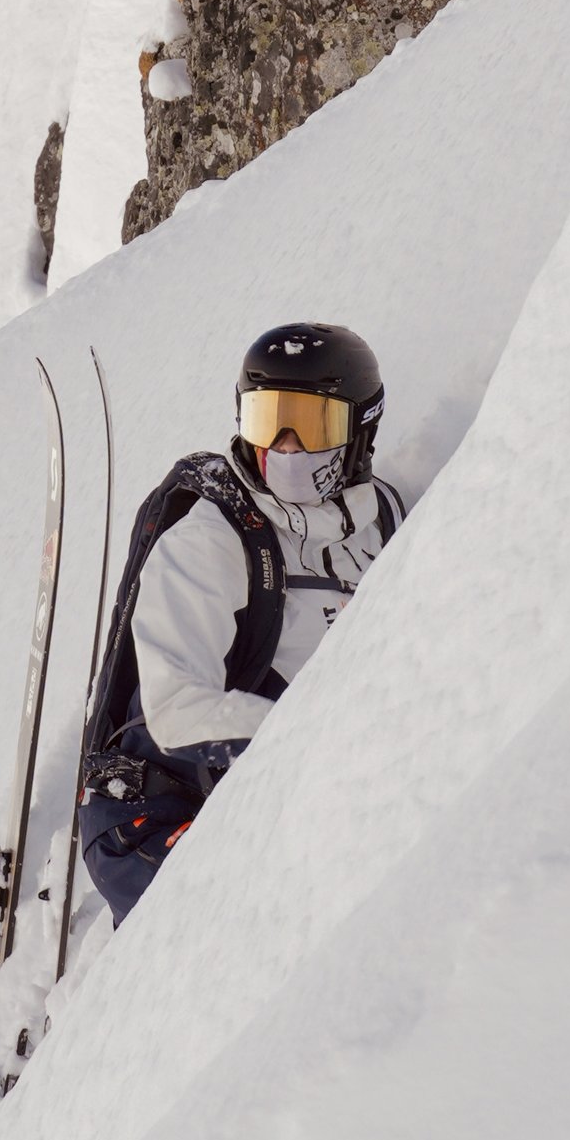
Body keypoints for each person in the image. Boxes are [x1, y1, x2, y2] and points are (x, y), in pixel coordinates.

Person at [76, 320, 404, 925]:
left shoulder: (386, 518)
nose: (285, 446)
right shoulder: (213, 538)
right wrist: (322, 737)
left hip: (292, 788)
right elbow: (176, 707)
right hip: (158, 809)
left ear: (361, 428)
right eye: (266, 420)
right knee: (249, 929)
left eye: (310, 424)